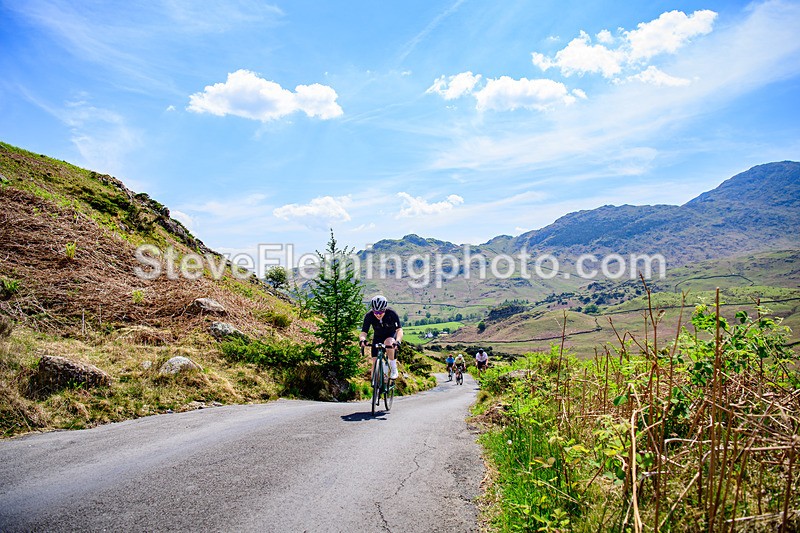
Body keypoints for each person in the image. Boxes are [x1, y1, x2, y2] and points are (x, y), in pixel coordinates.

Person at [359, 295, 403, 379]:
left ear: (385, 309)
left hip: (390, 335)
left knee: (389, 342)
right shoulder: (369, 315)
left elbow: (399, 330)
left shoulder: (391, 314)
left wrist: (398, 341)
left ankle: (393, 368)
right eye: (375, 312)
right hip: (378, 337)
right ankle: (377, 386)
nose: (378, 315)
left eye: (380, 312)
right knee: (374, 367)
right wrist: (362, 340)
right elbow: (364, 332)